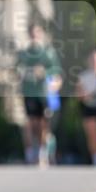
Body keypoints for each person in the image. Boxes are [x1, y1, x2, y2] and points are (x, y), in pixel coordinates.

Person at [17, 24, 62, 167]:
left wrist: (46, 75)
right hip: (29, 92)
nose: (35, 36)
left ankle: (43, 154)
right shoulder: (24, 53)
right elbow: (17, 70)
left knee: (43, 124)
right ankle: (30, 154)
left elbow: (57, 73)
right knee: (30, 123)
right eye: (32, 33)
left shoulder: (48, 52)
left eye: (37, 33)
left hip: (44, 93)